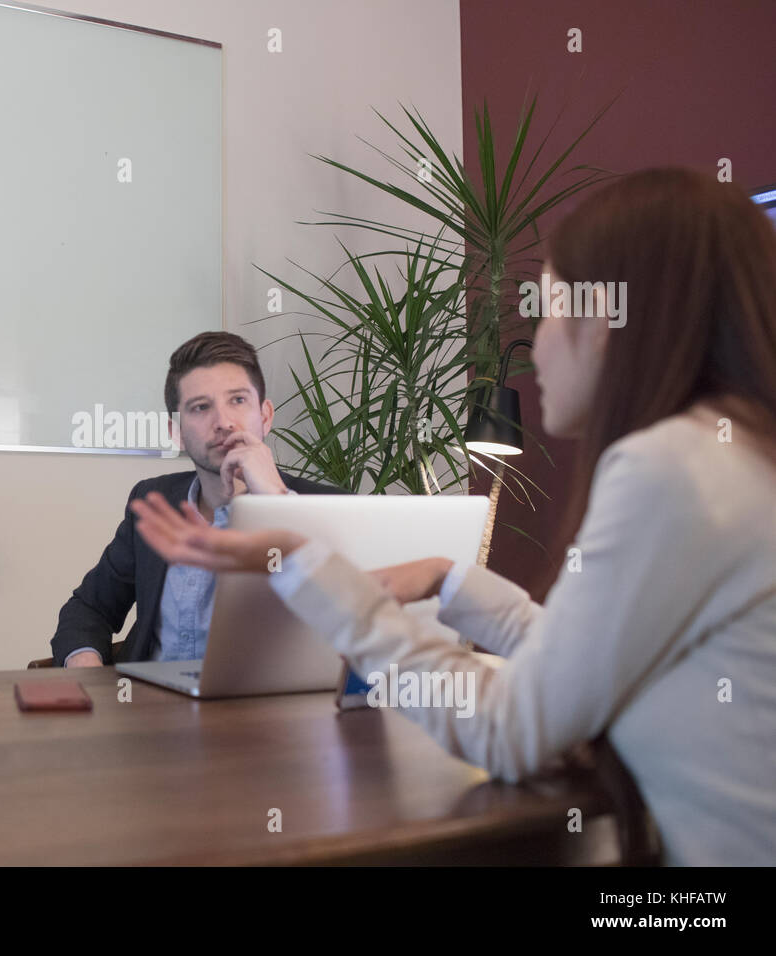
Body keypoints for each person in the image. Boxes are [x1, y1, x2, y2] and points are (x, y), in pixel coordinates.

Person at [128, 168, 776, 866]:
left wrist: (306, 562)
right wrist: (450, 579)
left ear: (616, 323)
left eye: (551, 308)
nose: (536, 346)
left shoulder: (671, 470)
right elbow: (577, 659)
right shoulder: (731, 455)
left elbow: (510, 732)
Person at [51, 331, 340, 667]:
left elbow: (349, 623)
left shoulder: (327, 507)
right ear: (177, 433)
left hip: (271, 716)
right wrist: (86, 669)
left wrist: (275, 500)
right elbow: (89, 608)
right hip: (146, 711)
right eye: (201, 407)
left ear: (265, 416)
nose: (223, 422)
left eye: (238, 400)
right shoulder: (152, 500)